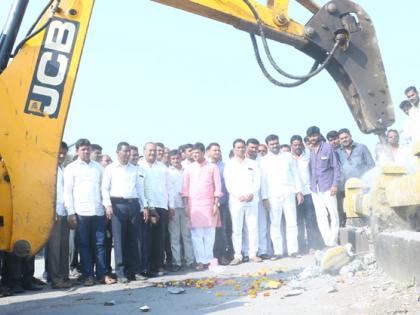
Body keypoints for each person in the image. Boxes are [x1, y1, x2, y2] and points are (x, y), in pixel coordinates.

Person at [64, 138, 113, 286]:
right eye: (83, 149)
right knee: (84, 245)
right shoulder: (71, 168)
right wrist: (71, 212)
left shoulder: (98, 168)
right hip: (81, 212)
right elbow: (68, 192)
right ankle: (88, 276)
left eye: (88, 149)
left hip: (97, 212)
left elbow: (103, 189)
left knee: (101, 244)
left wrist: (107, 206)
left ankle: (103, 274)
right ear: (77, 151)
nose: (86, 152)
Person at [102, 142, 146, 283]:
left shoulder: (135, 169)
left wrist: (144, 206)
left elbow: (140, 190)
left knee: (134, 239)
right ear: (117, 152)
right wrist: (108, 205)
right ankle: (121, 272)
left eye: (129, 151)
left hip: (133, 205)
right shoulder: (110, 169)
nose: (127, 154)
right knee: (119, 240)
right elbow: (104, 189)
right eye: (124, 151)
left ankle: (134, 270)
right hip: (117, 205)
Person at [260, 134, 303, 259]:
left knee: (292, 223)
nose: (275, 146)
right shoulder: (264, 160)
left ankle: (293, 251)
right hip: (273, 195)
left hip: (289, 193)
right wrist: (264, 198)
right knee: (275, 223)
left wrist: (299, 192)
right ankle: (278, 252)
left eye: (276, 143)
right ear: (268, 146)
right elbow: (263, 181)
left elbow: (296, 174)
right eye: (272, 144)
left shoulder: (288, 156)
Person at [182, 142, 222, 270]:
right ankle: (200, 261)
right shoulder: (188, 168)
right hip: (194, 206)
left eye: (197, 153)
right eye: (193, 153)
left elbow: (217, 186)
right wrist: (186, 205)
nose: (195, 155)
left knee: (210, 234)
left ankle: (209, 260)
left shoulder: (212, 167)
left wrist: (216, 204)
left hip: (209, 204)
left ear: (203, 153)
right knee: (196, 236)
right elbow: (185, 189)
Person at [139, 142, 174, 276]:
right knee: (145, 237)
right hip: (145, 207)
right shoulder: (139, 166)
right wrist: (146, 205)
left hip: (161, 206)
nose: (152, 153)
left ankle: (159, 265)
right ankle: (146, 266)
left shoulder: (163, 167)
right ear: (144, 151)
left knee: (160, 238)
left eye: (154, 151)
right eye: (150, 151)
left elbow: (169, 187)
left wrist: (170, 206)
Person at [224, 139, 261, 265]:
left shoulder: (253, 163)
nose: (240, 149)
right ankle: (238, 255)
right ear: (234, 149)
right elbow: (228, 184)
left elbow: (257, 181)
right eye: (238, 148)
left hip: (251, 199)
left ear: (245, 148)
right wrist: (238, 195)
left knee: (252, 227)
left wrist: (251, 193)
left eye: (242, 147)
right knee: (237, 229)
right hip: (236, 201)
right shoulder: (229, 164)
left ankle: (253, 254)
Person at [307, 126, 340, 247]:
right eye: (311, 136)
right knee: (321, 216)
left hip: (328, 186)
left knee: (333, 214)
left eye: (315, 135)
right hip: (315, 189)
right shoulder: (310, 150)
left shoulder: (327, 148)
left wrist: (334, 185)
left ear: (319, 135)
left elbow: (336, 167)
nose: (313, 138)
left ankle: (334, 240)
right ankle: (328, 242)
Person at [290, 135, 324, 253]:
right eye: (295, 145)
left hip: (308, 192)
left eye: (299, 144)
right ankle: (300, 246)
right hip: (294, 194)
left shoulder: (308, 156)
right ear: (291, 146)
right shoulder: (288, 158)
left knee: (310, 220)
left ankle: (312, 246)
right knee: (298, 222)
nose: (298, 147)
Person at [336, 128, 375, 227]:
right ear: (339, 140)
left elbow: (371, 165)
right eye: (342, 138)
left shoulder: (361, 148)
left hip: (362, 187)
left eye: (346, 137)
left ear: (350, 136)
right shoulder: (337, 153)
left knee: (365, 209)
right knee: (348, 211)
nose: (344, 140)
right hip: (344, 189)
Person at [48, 142, 72, 289]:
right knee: (54, 249)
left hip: (65, 213)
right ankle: (55, 279)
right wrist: (52, 211)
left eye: (64, 153)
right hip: (54, 213)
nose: (62, 155)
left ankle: (64, 276)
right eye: (59, 152)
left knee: (64, 247)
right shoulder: (48, 169)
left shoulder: (63, 169)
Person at [167, 150, 195, 271]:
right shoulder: (167, 172)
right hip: (173, 207)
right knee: (174, 236)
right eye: (173, 159)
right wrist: (170, 206)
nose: (175, 161)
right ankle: (177, 262)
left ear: (180, 158)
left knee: (187, 235)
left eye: (177, 158)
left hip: (185, 207)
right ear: (170, 160)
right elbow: (167, 190)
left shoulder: (187, 170)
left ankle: (190, 260)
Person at [207, 142, 233, 265]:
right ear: (208, 152)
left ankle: (221, 255)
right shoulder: (204, 166)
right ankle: (209, 256)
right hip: (207, 204)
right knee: (208, 232)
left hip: (222, 203)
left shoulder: (225, 166)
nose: (217, 152)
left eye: (218, 150)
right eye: (214, 150)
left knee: (222, 230)